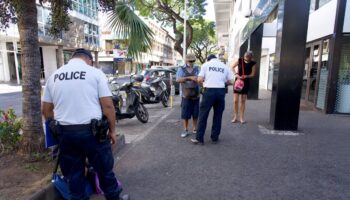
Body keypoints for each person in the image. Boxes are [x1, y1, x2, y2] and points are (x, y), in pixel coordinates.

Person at [42, 48, 128, 200]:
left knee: (74, 175)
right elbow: (108, 106)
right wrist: (112, 131)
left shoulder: (54, 76)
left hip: (66, 134)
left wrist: (61, 125)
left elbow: (47, 111)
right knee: (104, 170)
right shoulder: (94, 73)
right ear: (89, 60)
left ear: (73, 58)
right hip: (93, 134)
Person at [191, 54, 234, 145]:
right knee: (218, 115)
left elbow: (199, 79)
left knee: (203, 115)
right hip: (221, 92)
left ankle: (199, 138)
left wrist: (203, 85)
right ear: (216, 59)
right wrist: (222, 82)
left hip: (209, 91)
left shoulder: (206, 65)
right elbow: (231, 81)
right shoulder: (224, 66)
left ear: (208, 59)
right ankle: (214, 137)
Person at [176, 53, 200, 138]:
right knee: (185, 114)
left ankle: (195, 128)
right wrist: (189, 78)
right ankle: (185, 129)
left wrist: (198, 79)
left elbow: (200, 78)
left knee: (195, 113)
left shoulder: (197, 68)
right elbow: (178, 80)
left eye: (193, 61)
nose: (191, 62)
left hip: (196, 95)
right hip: (185, 96)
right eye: (190, 61)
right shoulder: (181, 69)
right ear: (186, 60)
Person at [231, 51, 256, 124]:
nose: (246, 58)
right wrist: (236, 74)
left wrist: (247, 76)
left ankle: (241, 117)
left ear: (250, 57)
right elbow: (232, 67)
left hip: (245, 82)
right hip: (238, 81)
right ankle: (235, 116)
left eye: (248, 57)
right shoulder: (240, 60)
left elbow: (253, 74)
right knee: (235, 100)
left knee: (243, 100)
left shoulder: (253, 63)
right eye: (245, 56)